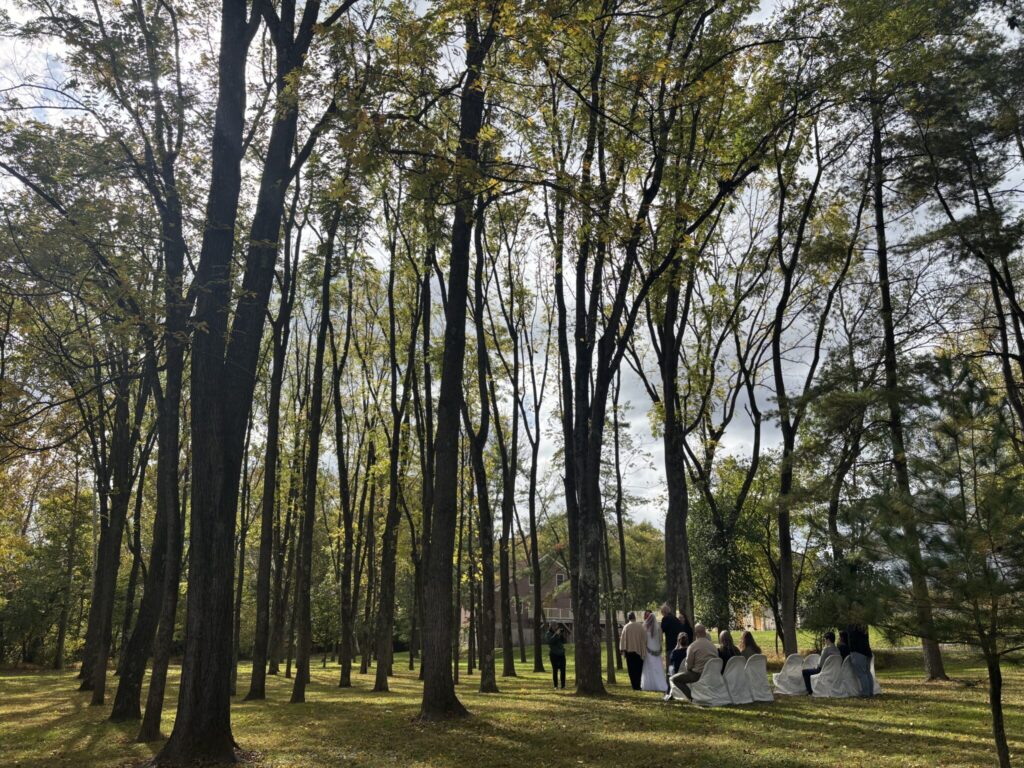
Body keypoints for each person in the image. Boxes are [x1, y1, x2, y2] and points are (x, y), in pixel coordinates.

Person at [669, 623, 717, 701]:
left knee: (674, 679)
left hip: (697, 675)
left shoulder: (692, 646)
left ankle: (691, 697)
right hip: (712, 674)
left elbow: (688, 666)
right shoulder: (713, 647)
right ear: (705, 633)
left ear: (696, 633)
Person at [640, 611, 668, 693]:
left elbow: (643, 639)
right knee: (657, 667)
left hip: (648, 650)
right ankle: (659, 684)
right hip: (656, 650)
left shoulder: (645, 626)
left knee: (648, 667)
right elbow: (661, 639)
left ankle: (649, 685)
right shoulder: (658, 628)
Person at [619, 611, 647, 691]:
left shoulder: (626, 627)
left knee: (631, 670)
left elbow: (623, 639)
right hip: (639, 651)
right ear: (635, 617)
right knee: (639, 668)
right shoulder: (640, 626)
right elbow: (645, 638)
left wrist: (622, 649)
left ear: (628, 618)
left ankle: (634, 685)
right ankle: (638, 685)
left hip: (629, 651)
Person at [845, 624, 874, 697]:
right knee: (867, 673)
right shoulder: (864, 625)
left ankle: (865, 693)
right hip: (867, 652)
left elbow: (850, 639)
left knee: (862, 674)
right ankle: (870, 691)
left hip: (858, 652)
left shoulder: (852, 626)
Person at [545, 624, 567, 690]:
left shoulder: (558, 633)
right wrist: (556, 634)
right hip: (554, 654)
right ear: (551, 627)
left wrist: (562, 635)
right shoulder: (548, 634)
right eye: (554, 626)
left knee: (563, 670)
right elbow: (550, 641)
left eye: (556, 626)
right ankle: (555, 685)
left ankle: (563, 686)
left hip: (561, 654)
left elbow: (564, 641)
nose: (555, 627)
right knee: (555, 670)